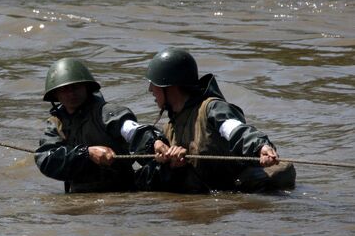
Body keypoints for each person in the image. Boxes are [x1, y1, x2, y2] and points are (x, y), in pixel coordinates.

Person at [142, 47, 296, 193]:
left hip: (238, 189)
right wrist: (173, 166)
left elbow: (236, 129)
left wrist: (260, 147)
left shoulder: (212, 109)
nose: (150, 90)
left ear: (171, 87)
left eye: (154, 84)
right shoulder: (168, 129)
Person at [35, 58, 166, 193]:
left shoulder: (107, 113)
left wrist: (154, 143)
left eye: (75, 87)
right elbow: (45, 158)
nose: (71, 93)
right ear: (55, 94)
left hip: (121, 191)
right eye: (64, 90)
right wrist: (87, 153)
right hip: (79, 194)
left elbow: (133, 131)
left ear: (86, 87)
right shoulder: (56, 124)